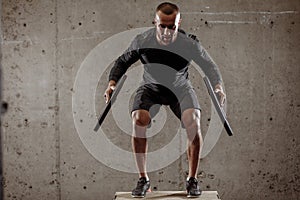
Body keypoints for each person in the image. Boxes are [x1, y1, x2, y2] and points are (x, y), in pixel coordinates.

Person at [104, 2, 226, 198]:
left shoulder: (188, 43)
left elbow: (209, 66)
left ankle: (192, 180)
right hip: (151, 89)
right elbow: (122, 61)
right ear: (155, 22)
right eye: (163, 26)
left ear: (178, 23)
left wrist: (218, 87)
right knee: (138, 119)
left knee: (194, 120)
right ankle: (143, 179)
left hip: (180, 89)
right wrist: (112, 84)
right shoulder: (143, 40)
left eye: (172, 27)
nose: (167, 32)